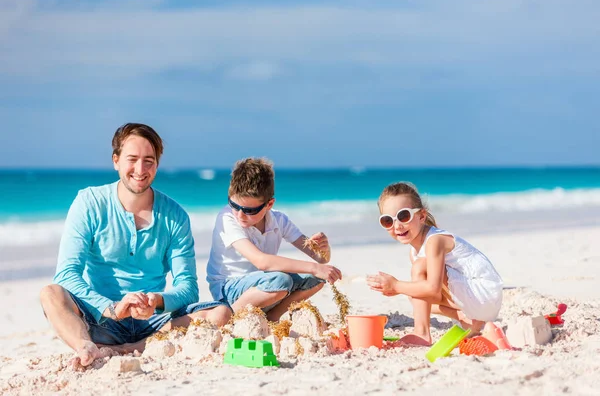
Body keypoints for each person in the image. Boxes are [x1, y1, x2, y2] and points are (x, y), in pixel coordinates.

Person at [39, 123, 231, 368]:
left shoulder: (175, 216)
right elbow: (66, 275)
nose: (140, 170)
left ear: (157, 165)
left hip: (152, 323)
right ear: (116, 160)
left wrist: (155, 301)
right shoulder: (88, 203)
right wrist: (112, 309)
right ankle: (85, 346)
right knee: (51, 293)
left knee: (221, 313)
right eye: (132, 159)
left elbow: (188, 288)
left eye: (149, 161)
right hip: (101, 320)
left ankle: (128, 349)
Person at [366, 182, 503, 346]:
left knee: (417, 279)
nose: (397, 226)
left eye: (403, 216)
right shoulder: (414, 252)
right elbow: (429, 294)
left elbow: (433, 288)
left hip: (484, 294)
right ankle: (468, 320)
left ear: (421, 216)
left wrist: (395, 285)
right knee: (415, 296)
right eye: (387, 220)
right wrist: (401, 288)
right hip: (478, 304)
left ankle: (422, 333)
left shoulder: (434, 241)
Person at [206, 157, 342, 321]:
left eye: (249, 210)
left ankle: (272, 317)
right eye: (234, 205)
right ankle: (229, 316)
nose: (240, 215)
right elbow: (262, 262)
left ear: (269, 204)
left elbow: (320, 259)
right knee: (281, 280)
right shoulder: (227, 218)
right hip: (229, 288)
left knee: (317, 279)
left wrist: (324, 250)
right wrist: (314, 267)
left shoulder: (279, 220)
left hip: (266, 285)